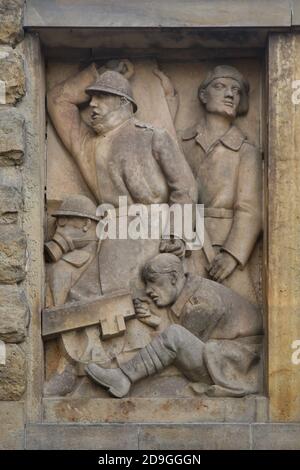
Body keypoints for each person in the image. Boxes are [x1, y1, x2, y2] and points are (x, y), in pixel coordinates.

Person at [85, 253, 263, 398]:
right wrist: (153, 320)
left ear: (173, 277)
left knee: (174, 335)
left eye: (153, 281)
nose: (148, 290)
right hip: (226, 359)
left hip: (239, 367)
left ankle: (123, 377)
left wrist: (154, 322)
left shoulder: (202, 301)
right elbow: (186, 343)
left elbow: (179, 345)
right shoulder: (195, 293)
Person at [180, 65, 262, 303]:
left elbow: (251, 210)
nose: (230, 94)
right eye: (220, 86)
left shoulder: (245, 151)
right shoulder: (180, 142)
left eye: (236, 91)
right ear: (203, 95)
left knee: (240, 316)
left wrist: (232, 254)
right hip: (186, 245)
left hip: (223, 248)